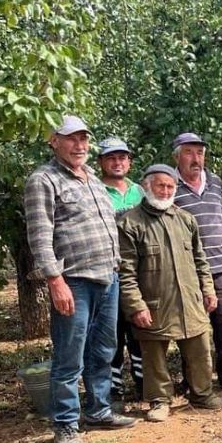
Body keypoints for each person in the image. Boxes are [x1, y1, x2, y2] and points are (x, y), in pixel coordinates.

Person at [24, 115, 136, 443]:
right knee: (69, 356)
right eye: (71, 138)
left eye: (84, 138)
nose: (80, 145)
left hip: (108, 276)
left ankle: (99, 410)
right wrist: (54, 280)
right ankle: (66, 424)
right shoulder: (43, 180)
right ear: (53, 141)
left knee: (103, 350)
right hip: (73, 280)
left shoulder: (91, 179)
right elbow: (40, 237)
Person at [118, 164, 222, 422]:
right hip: (155, 303)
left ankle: (202, 394)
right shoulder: (130, 223)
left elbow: (201, 260)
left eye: (170, 187)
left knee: (200, 349)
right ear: (147, 187)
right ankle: (159, 401)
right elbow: (125, 272)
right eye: (161, 186)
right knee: (154, 354)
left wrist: (208, 290)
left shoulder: (185, 219)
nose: (166, 191)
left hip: (190, 300)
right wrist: (136, 306)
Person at [172, 133, 222, 394]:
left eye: (200, 153)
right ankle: (192, 380)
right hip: (188, 270)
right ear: (177, 156)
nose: (196, 158)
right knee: (191, 329)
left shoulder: (216, 182)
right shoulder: (170, 185)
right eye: (190, 152)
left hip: (221, 265)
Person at [97, 137, 144, 411]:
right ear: (101, 162)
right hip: (108, 272)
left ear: (129, 161)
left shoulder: (140, 191)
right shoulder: (95, 190)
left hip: (138, 274)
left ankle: (142, 384)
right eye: (111, 158)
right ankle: (114, 390)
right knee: (111, 334)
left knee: (138, 330)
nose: (117, 162)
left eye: (122, 157)